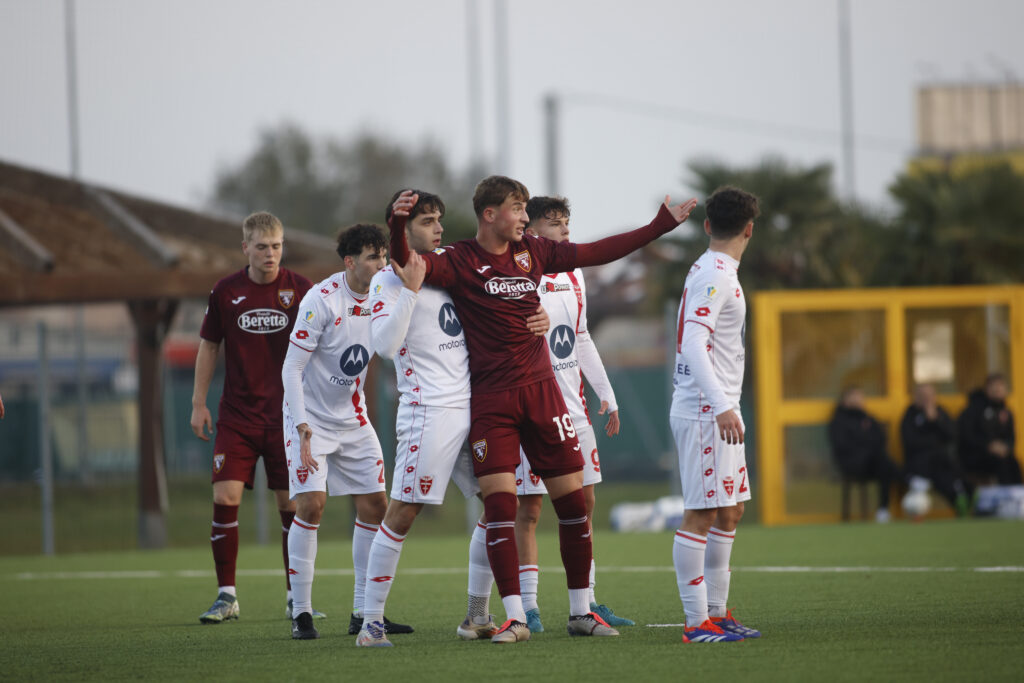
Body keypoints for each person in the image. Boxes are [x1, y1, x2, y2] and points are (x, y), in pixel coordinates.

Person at [388, 175, 698, 643]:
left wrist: (658, 225)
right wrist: (395, 225)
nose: (525, 217)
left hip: (542, 393)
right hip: (492, 401)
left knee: (574, 504)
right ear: (490, 214)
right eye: (517, 208)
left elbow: (596, 252)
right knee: (501, 507)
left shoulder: (534, 251)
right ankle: (514, 616)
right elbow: (405, 264)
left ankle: (580, 612)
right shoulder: (459, 261)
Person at [356, 189, 550, 647]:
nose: (438, 227)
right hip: (430, 411)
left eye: (439, 219)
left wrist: (537, 315)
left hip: (476, 405)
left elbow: (498, 304)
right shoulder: (390, 280)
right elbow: (383, 346)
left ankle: (475, 616)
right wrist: (411, 289)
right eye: (426, 221)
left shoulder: (450, 268)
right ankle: (370, 623)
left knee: (497, 504)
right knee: (404, 511)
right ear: (403, 230)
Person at [280, 224, 411, 640]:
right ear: (350, 262)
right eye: (373, 257)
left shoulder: (386, 292)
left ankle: (362, 611)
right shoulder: (321, 300)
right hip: (310, 420)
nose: (382, 264)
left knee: (376, 506)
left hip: (353, 418)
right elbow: (292, 367)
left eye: (384, 256)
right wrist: (301, 426)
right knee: (312, 505)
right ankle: (301, 612)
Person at [511, 195, 633, 633]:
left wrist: (607, 394)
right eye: (554, 222)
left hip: (574, 409)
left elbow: (579, 337)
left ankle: (589, 601)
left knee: (584, 502)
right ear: (531, 229)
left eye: (566, 221)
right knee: (528, 509)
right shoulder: (520, 272)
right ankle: (528, 607)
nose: (564, 229)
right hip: (531, 406)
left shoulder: (574, 273)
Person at [191, 211, 315, 625]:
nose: (270, 254)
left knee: (291, 506)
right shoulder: (226, 291)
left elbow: (326, 343)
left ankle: (294, 598)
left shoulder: (301, 290)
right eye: (261, 247)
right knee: (225, 497)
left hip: (286, 418)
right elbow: (209, 346)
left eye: (276, 246)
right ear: (245, 248)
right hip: (238, 418)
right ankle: (227, 596)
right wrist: (198, 402)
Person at [669, 186, 762, 644]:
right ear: (750, 228)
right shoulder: (716, 274)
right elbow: (692, 343)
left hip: (720, 408)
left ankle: (718, 613)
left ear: (707, 225)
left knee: (730, 510)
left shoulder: (718, 269)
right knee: (701, 514)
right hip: (707, 410)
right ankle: (694, 622)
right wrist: (723, 405)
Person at [827, 386, 903, 522]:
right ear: (845, 400)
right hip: (851, 464)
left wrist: (864, 441)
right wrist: (865, 441)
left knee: (885, 466)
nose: (858, 400)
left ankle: (885, 509)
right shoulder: (838, 421)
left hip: (873, 463)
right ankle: (909, 480)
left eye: (860, 397)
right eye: (854, 397)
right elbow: (842, 445)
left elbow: (881, 439)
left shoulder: (868, 418)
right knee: (887, 465)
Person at [900, 383, 969, 515]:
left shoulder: (941, 413)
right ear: (915, 397)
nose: (926, 398)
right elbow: (909, 441)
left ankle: (962, 506)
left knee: (952, 481)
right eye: (922, 395)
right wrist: (933, 442)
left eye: (929, 395)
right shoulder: (910, 415)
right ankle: (916, 513)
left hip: (941, 463)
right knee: (918, 482)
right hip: (918, 465)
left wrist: (935, 420)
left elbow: (952, 435)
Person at [957, 373, 1022, 486]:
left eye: (1000, 386)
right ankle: (1004, 496)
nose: (997, 390)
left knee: (1014, 463)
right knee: (1001, 463)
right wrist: (988, 445)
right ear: (987, 389)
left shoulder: (1006, 412)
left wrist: (1006, 447)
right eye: (994, 386)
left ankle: (1018, 496)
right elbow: (966, 435)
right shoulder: (974, 409)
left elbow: (1011, 437)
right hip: (976, 455)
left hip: (1000, 455)